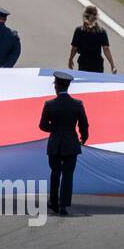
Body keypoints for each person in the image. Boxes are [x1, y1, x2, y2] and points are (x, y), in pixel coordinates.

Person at [39, 70, 88, 217]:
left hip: (55, 144)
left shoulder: (49, 104)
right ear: (68, 87)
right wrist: (83, 138)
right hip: (71, 144)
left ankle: (53, 202)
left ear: (56, 87)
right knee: (68, 175)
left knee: (55, 173)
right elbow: (84, 125)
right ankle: (63, 205)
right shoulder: (77, 104)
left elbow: (42, 125)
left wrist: (54, 129)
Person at [69, 5, 117, 74]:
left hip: (83, 64)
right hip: (97, 65)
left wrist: (70, 59)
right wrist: (112, 65)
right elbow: (106, 49)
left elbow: (74, 48)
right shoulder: (102, 32)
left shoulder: (79, 31)